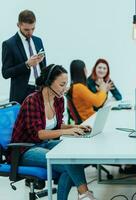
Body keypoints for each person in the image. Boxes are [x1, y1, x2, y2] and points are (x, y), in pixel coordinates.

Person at [9, 64, 97, 200]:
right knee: (68, 164)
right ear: (49, 82)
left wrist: (77, 127)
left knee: (72, 159)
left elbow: (57, 125)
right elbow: (38, 133)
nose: (65, 88)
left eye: (66, 84)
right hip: (25, 149)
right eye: (62, 84)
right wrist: (69, 131)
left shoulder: (58, 100)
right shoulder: (32, 101)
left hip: (44, 144)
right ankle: (85, 194)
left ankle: (84, 195)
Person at [2, 10, 46, 104]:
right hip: (22, 93)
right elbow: (5, 73)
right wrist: (26, 64)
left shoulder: (38, 41)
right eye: (26, 30)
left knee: (41, 119)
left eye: (33, 29)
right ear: (18, 25)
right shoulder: (9, 44)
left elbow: (43, 67)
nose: (30, 32)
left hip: (40, 90)